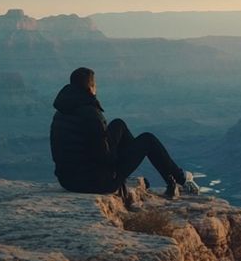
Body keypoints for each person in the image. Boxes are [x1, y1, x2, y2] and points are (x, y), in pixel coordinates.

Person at [50, 67, 199, 201]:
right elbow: (104, 157)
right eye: (95, 85)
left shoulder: (62, 111)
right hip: (94, 183)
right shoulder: (90, 113)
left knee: (118, 124)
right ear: (90, 88)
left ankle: (171, 182)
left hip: (67, 180)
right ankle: (180, 178)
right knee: (147, 140)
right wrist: (125, 159)